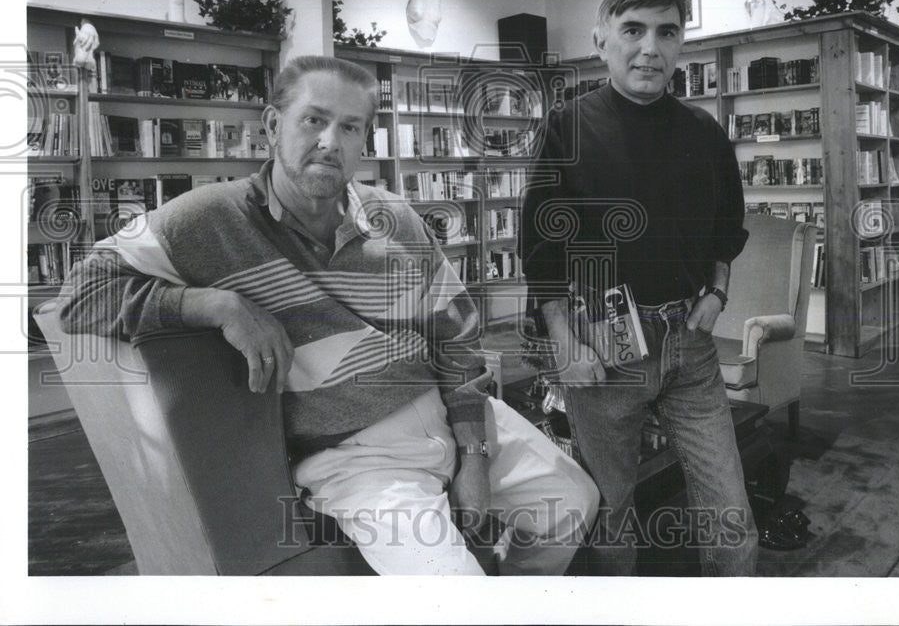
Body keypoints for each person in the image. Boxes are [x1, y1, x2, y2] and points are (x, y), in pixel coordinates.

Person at [59, 55, 598, 576]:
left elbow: (455, 338)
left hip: (446, 412)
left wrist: (474, 453)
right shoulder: (205, 219)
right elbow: (78, 294)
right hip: (355, 459)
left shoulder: (397, 217)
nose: (329, 142)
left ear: (365, 141)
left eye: (349, 128)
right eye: (313, 120)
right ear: (273, 126)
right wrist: (216, 303)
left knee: (574, 504)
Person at [520, 0, 757, 576]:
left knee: (732, 520)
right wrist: (564, 342)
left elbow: (728, 225)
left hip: (691, 346)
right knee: (613, 512)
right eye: (633, 29)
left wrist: (718, 292)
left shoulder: (704, 132)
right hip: (602, 348)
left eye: (666, 32)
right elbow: (541, 246)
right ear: (602, 37)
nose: (649, 48)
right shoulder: (568, 125)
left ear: (681, 43)